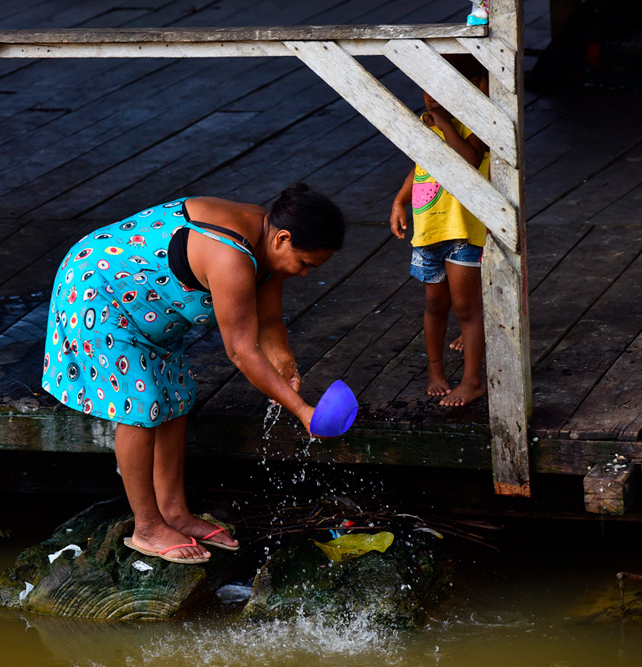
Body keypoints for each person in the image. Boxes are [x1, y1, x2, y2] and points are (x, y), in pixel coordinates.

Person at [42, 184, 345, 564]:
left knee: (176, 395)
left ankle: (173, 513)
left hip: (149, 311)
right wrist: (302, 411)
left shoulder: (269, 240)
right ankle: (147, 527)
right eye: (305, 264)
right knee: (141, 405)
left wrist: (285, 365)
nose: (303, 274)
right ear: (283, 238)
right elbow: (241, 351)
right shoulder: (231, 256)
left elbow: (268, 320)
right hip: (98, 290)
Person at [389, 56, 490, 407]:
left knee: (466, 308)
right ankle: (435, 371)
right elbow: (420, 167)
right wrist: (400, 200)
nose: (432, 96)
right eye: (427, 88)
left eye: (442, 89)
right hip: (428, 230)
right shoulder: (424, 123)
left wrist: (445, 121)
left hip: (462, 232)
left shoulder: (474, 124)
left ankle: (473, 381)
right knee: (434, 305)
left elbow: (470, 160)